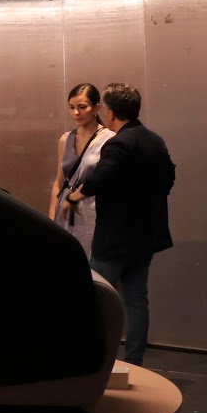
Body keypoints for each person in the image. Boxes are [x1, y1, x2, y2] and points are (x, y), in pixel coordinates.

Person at [69, 83, 175, 366]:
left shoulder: (119, 142)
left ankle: (93, 362)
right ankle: (134, 361)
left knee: (97, 299)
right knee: (137, 300)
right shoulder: (155, 140)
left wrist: (75, 195)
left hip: (114, 239)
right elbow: (169, 178)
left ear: (111, 112)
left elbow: (99, 178)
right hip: (146, 237)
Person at [48, 84, 115, 258]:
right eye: (72, 108)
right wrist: (51, 217)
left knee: (90, 259)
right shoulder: (66, 138)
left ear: (96, 108)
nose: (76, 113)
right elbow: (59, 181)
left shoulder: (109, 138)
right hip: (65, 207)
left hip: (92, 208)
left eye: (82, 107)